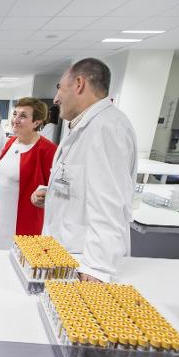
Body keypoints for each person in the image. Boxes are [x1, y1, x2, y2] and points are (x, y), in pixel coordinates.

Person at [31, 58, 137, 283]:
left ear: (79, 84)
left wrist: (97, 268)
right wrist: (50, 192)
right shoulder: (84, 126)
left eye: (59, 88)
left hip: (85, 264)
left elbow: (110, 204)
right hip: (65, 254)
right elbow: (82, 182)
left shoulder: (107, 128)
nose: (57, 98)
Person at [0, 98, 57, 249]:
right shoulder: (10, 143)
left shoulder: (47, 149)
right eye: (15, 114)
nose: (15, 120)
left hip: (26, 224)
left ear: (37, 122)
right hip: (3, 221)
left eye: (23, 116)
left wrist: (44, 193)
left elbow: (54, 189)